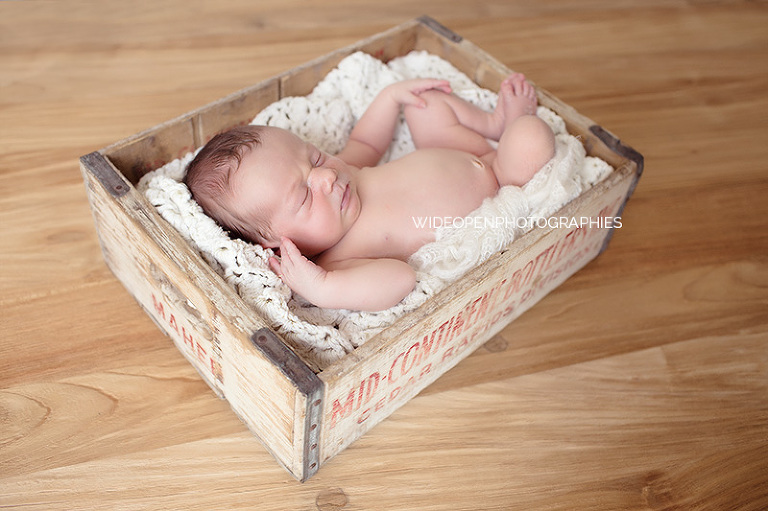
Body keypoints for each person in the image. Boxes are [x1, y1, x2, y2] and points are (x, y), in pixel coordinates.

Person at [185, 73, 555, 311]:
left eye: (314, 157)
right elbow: (400, 280)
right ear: (277, 244)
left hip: (459, 148)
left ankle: (493, 123)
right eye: (303, 197)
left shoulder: (345, 171)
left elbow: (365, 140)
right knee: (531, 136)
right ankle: (513, 135)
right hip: (499, 181)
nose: (325, 177)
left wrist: (390, 98)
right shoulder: (337, 263)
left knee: (424, 103)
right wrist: (323, 288)